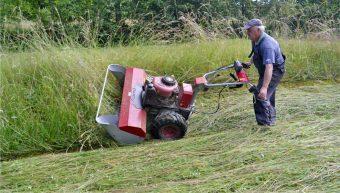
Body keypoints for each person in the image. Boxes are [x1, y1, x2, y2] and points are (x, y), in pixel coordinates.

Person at [243, 19, 285, 126]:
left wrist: (264, 87)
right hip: (267, 70)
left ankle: (265, 124)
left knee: (260, 96)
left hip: (274, 71)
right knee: (267, 96)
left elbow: (269, 67)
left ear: (258, 30)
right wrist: (250, 62)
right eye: (247, 31)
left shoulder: (267, 45)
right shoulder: (256, 39)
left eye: (249, 31)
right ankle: (270, 118)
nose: (247, 33)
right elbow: (256, 52)